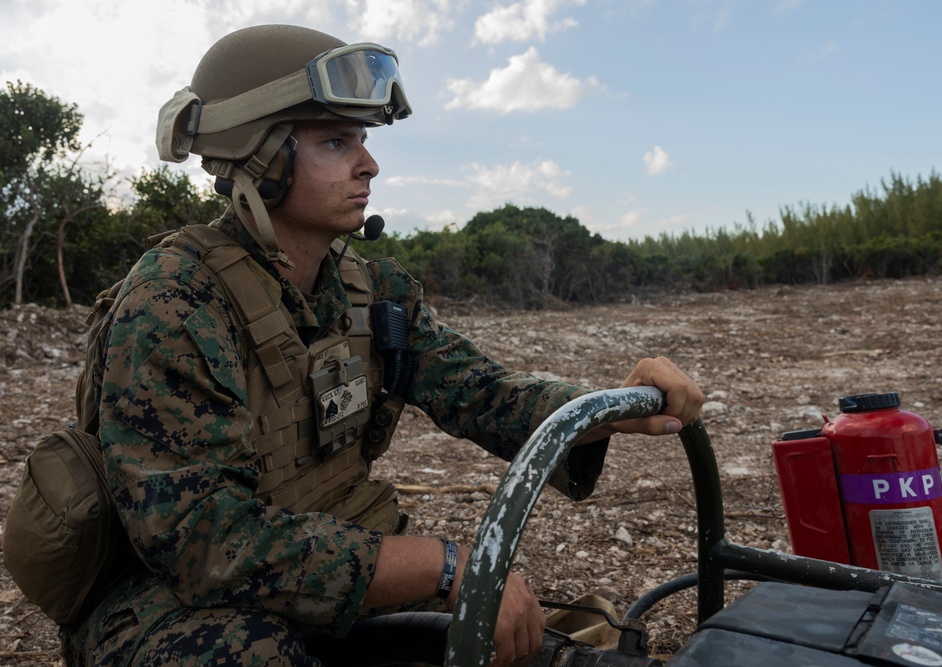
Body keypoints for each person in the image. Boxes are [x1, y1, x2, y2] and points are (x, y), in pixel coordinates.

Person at [61, 24, 705, 667]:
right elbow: (204, 543)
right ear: (261, 158)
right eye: (336, 141)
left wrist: (612, 406)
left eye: (362, 140)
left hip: (334, 558)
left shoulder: (371, 291)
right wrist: (449, 567)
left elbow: (485, 396)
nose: (368, 164)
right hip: (173, 606)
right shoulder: (175, 300)